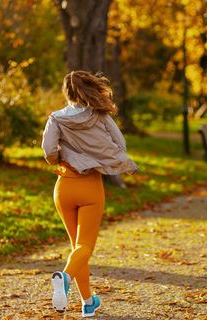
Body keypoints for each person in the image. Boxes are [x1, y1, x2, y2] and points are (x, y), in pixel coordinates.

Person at [41, 70, 138, 318]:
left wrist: (61, 157)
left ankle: (88, 303)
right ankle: (64, 277)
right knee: (84, 245)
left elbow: (48, 150)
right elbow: (120, 145)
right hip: (90, 185)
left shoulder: (56, 118)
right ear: (90, 89)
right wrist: (99, 155)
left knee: (76, 247)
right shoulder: (100, 116)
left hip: (64, 186)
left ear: (67, 93)